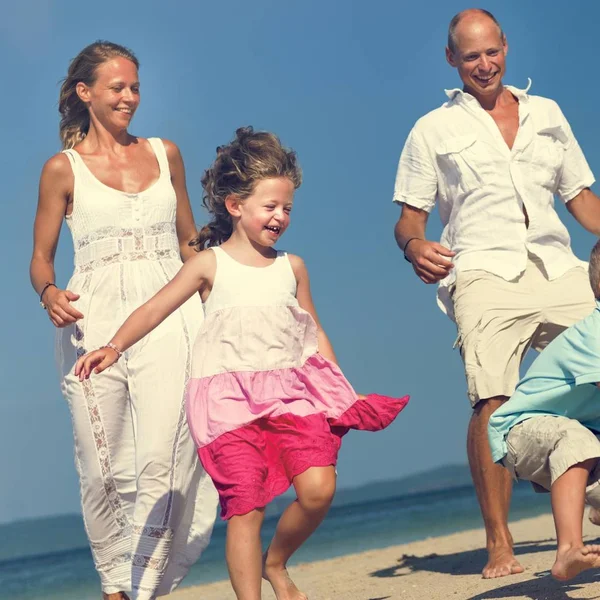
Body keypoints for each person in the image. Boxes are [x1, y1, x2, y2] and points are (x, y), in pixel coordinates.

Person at [75, 126, 409, 600]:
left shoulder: (291, 267)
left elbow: (313, 332)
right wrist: (114, 345)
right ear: (235, 205)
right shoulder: (208, 265)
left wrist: (341, 388)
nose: (281, 217)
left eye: (287, 208)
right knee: (246, 507)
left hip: (291, 394)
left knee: (318, 490)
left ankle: (277, 562)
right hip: (226, 402)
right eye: (270, 206)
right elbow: (154, 308)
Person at [392, 9, 600, 579]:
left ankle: (582, 481)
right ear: (451, 59)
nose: (484, 65)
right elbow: (408, 219)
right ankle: (500, 541)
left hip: (558, 266)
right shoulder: (431, 129)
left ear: (505, 48)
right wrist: (415, 249)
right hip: (481, 270)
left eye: (491, 52)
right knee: (493, 399)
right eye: (470, 56)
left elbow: (582, 201)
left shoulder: (548, 115)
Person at [29, 41, 218, 600]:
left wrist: (221, 302)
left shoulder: (166, 154)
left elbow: (191, 244)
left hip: (168, 313)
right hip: (91, 321)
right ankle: (116, 584)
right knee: (102, 464)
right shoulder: (62, 169)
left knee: (166, 453)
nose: (130, 97)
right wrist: (47, 292)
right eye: (117, 87)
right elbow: (40, 257)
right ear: (86, 93)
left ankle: (140, 588)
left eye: (135, 86)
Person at [489, 239, 600, 582]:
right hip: (523, 429)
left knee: (581, 439)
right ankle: (567, 550)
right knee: (575, 438)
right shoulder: (595, 333)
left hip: (582, 439)